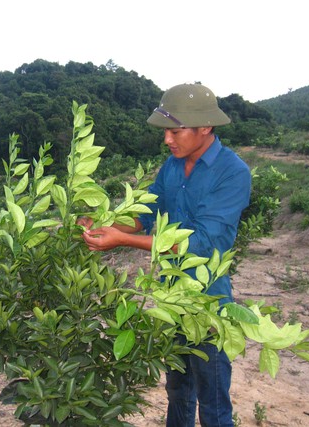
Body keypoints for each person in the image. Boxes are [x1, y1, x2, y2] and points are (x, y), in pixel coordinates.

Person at [80, 83, 251, 427]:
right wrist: (104, 223)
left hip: (208, 304)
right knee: (178, 391)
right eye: (165, 132)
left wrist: (122, 242)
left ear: (205, 127)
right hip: (170, 297)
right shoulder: (171, 167)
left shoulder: (233, 173)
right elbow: (145, 215)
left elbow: (203, 243)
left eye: (175, 131)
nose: (167, 140)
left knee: (214, 402)